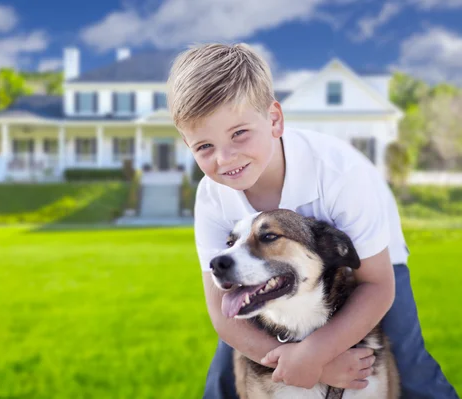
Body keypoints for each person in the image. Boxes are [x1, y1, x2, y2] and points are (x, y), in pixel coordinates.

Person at [166, 43, 458, 399]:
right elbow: (221, 312)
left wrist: (316, 352)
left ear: (274, 119)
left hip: (372, 261)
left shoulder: (340, 174)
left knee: (411, 368)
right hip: (259, 273)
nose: (225, 158)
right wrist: (302, 363)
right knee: (224, 379)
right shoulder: (212, 196)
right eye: (204, 147)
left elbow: (377, 286)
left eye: (239, 133)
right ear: (187, 144)